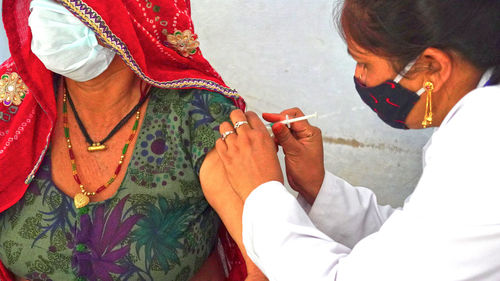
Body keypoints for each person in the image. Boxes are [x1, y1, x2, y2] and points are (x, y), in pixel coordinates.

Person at [201, 0, 500, 280]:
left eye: (365, 63)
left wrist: (260, 191)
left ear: (433, 66)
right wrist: (317, 186)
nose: (360, 77)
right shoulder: (477, 119)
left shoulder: (483, 149)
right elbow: (415, 244)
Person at [0, 0, 266, 280]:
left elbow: (265, 267)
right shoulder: (12, 103)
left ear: (135, 9)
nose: (47, 11)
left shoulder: (196, 116)